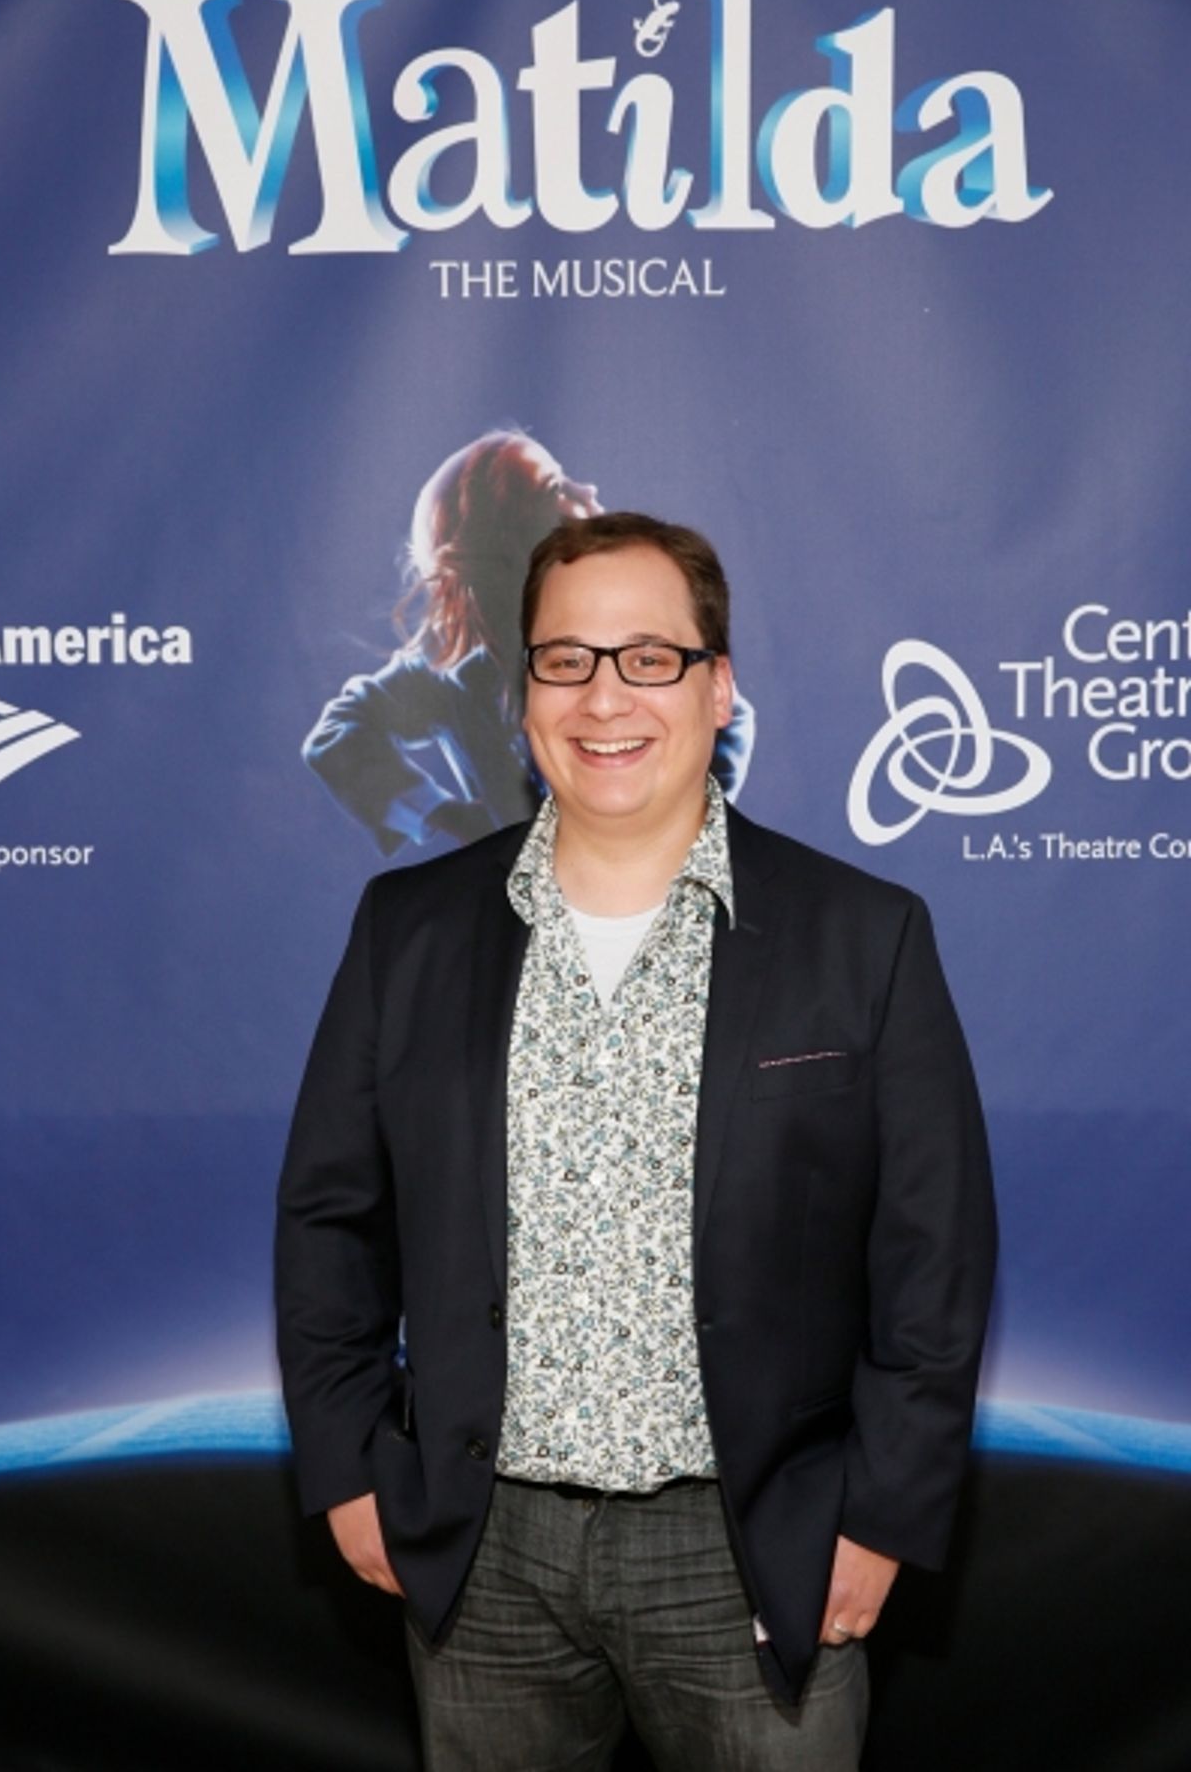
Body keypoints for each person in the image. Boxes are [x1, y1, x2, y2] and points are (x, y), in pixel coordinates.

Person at [276, 513, 996, 1770]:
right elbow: (330, 1220)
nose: (605, 696)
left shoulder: (864, 934)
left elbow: (932, 1256)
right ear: (524, 692)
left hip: (754, 1551)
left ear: (719, 688)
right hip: (480, 1555)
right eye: (567, 659)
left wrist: (882, 1514)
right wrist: (346, 1468)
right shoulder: (410, 931)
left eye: (649, 658)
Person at [302, 432, 755, 858]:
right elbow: (338, 734)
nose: (586, 489)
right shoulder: (454, 670)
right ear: (521, 537)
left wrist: (675, 838)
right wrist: (443, 813)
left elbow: (727, 715)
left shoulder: (640, 613)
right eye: (554, 486)